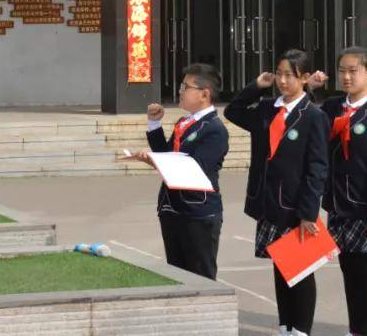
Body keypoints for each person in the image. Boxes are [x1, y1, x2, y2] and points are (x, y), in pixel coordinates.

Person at [225, 49, 329, 336]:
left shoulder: (313, 116)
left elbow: (318, 167)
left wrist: (309, 212)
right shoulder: (267, 108)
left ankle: (301, 328)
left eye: (290, 75)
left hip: (296, 206)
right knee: (281, 267)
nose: (282, 81)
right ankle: (285, 324)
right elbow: (232, 111)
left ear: (306, 78)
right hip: (267, 201)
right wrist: (255, 86)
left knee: (300, 270)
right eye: (279, 74)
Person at [316, 47, 367, 336]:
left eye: (353, 71)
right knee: (348, 271)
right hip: (338, 206)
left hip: (365, 210)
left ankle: (366, 330)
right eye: (342, 71)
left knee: (365, 272)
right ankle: (355, 329)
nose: (347, 77)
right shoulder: (333, 107)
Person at [129, 63, 228, 280]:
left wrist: (155, 161)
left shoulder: (214, 129)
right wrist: (154, 125)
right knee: (177, 274)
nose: (180, 91)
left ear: (204, 94)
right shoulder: (184, 122)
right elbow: (167, 153)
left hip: (198, 212)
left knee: (200, 277)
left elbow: (195, 169)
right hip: (172, 208)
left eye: (185, 87)